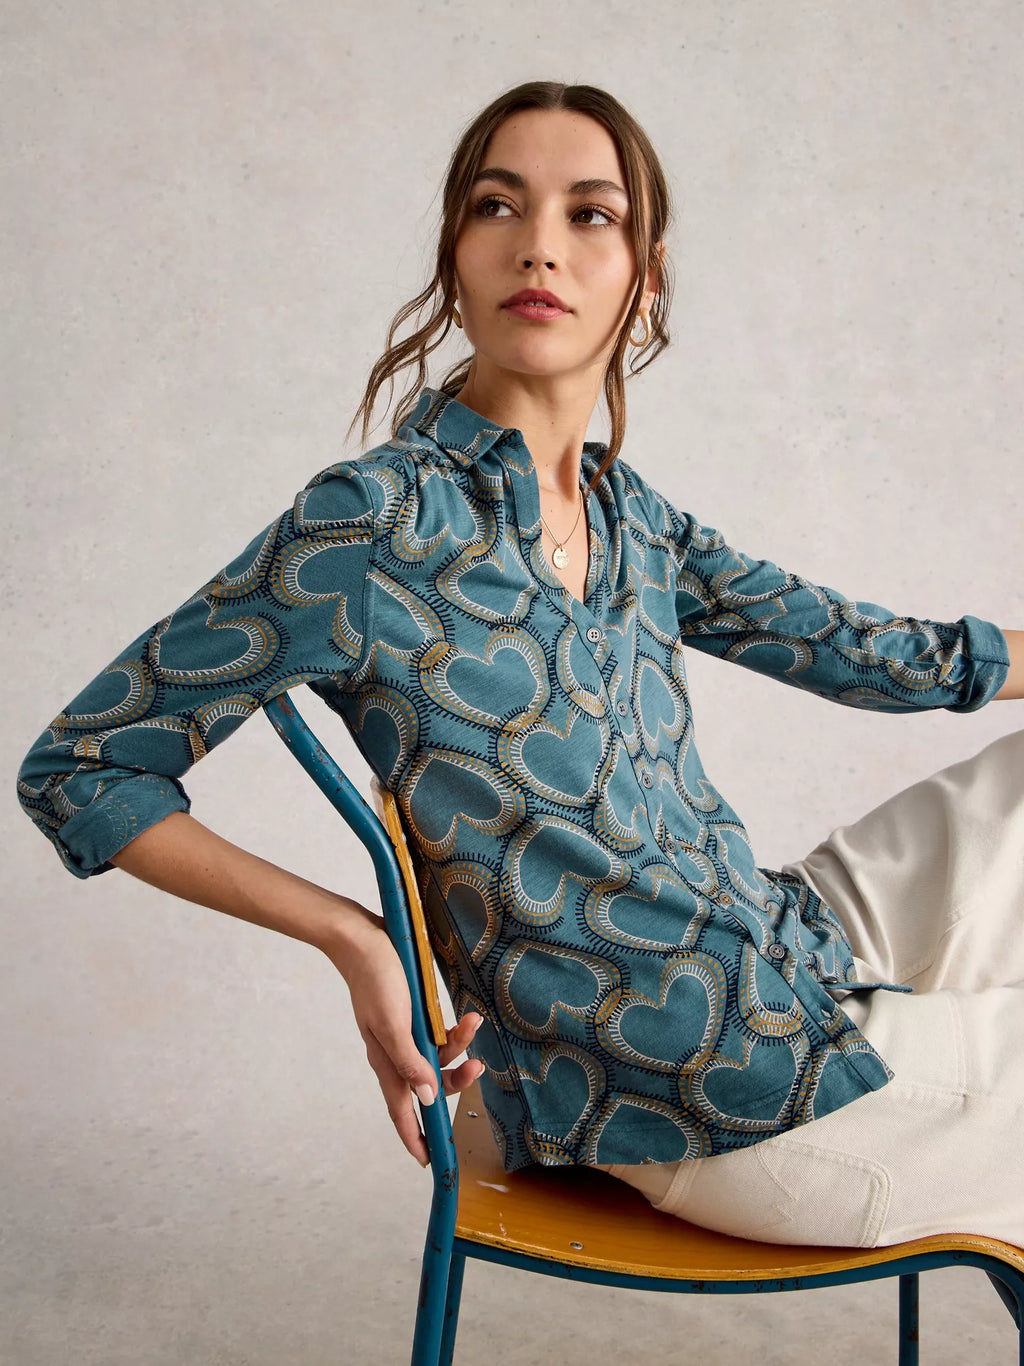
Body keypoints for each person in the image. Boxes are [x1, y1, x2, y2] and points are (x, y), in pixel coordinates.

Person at [16, 80, 1023, 1250]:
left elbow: (871, 654)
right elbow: (82, 766)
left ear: (642, 279)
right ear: (456, 255)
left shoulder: (627, 514)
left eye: (588, 214)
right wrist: (358, 935)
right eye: (500, 205)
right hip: (717, 1084)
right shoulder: (373, 526)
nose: (538, 243)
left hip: (778, 941)